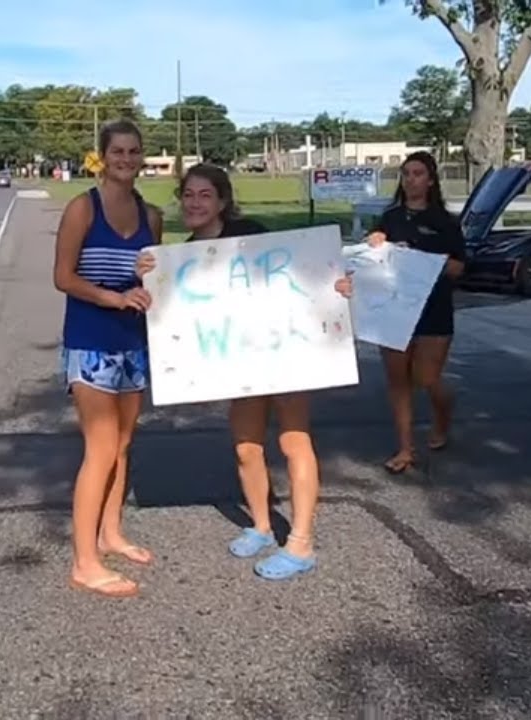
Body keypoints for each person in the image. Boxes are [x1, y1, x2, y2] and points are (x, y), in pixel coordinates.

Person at [136, 163, 339, 581]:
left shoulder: (251, 232)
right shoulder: (182, 257)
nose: (194, 203)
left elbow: (305, 271)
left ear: (223, 201)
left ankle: (301, 543)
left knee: (294, 441)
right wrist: (148, 284)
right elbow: (173, 318)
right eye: (188, 194)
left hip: (285, 351)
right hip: (239, 362)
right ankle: (262, 526)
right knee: (246, 446)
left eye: (204, 195)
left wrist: (336, 284)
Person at [53, 119, 164, 598]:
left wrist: (150, 275)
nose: (126, 159)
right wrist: (113, 298)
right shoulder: (83, 208)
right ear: (103, 156)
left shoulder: (150, 215)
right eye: (117, 151)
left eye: (134, 151)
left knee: (122, 445)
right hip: (90, 341)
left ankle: (110, 533)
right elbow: (63, 277)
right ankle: (85, 563)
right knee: (99, 449)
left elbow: (157, 282)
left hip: (133, 343)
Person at [334, 150, 466, 474]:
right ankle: (406, 448)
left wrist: (422, 260)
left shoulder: (446, 222)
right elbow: (372, 254)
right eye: (406, 174)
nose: (410, 180)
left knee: (426, 378)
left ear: (431, 180)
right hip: (393, 310)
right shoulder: (391, 218)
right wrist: (376, 240)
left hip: (433, 311)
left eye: (418, 174)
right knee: (398, 381)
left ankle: (443, 413)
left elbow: (458, 268)